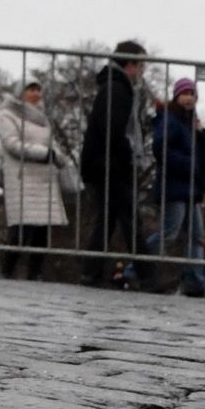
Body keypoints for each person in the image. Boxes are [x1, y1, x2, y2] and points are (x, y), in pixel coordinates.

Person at [79, 40, 152, 287]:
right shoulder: (117, 88)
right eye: (141, 65)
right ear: (130, 64)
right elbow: (113, 128)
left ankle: (91, 271)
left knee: (108, 219)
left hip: (106, 163)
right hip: (111, 164)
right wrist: (127, 154)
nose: (143, 71)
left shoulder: (114, 86)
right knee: (129, 220)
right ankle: (146, 275)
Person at [0, 81, 70, 279]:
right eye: (31, 89)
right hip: (22, 178)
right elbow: (12, 144)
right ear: (21, 93)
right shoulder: (6, 115)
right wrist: (45, 154)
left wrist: (60, 158)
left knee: (42, 230)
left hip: (45, 179)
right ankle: (6, 272)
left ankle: (35, 275)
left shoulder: (42, 119)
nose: (37, 93)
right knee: (21, 227)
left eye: (38, 89)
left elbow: (53, 144)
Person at [147, 78, 205, 295]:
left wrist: (201, 135)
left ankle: (195, 279)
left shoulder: (189, 121)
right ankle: (136, 266)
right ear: (176, 96)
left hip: (190, 188)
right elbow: (161, 147)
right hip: (175, 186)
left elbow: (202, 153)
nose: (188, 98)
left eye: (192, 94)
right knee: (169, 233)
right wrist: (188, 165)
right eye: (184, 94)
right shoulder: (171, 119)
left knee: (196, 235)